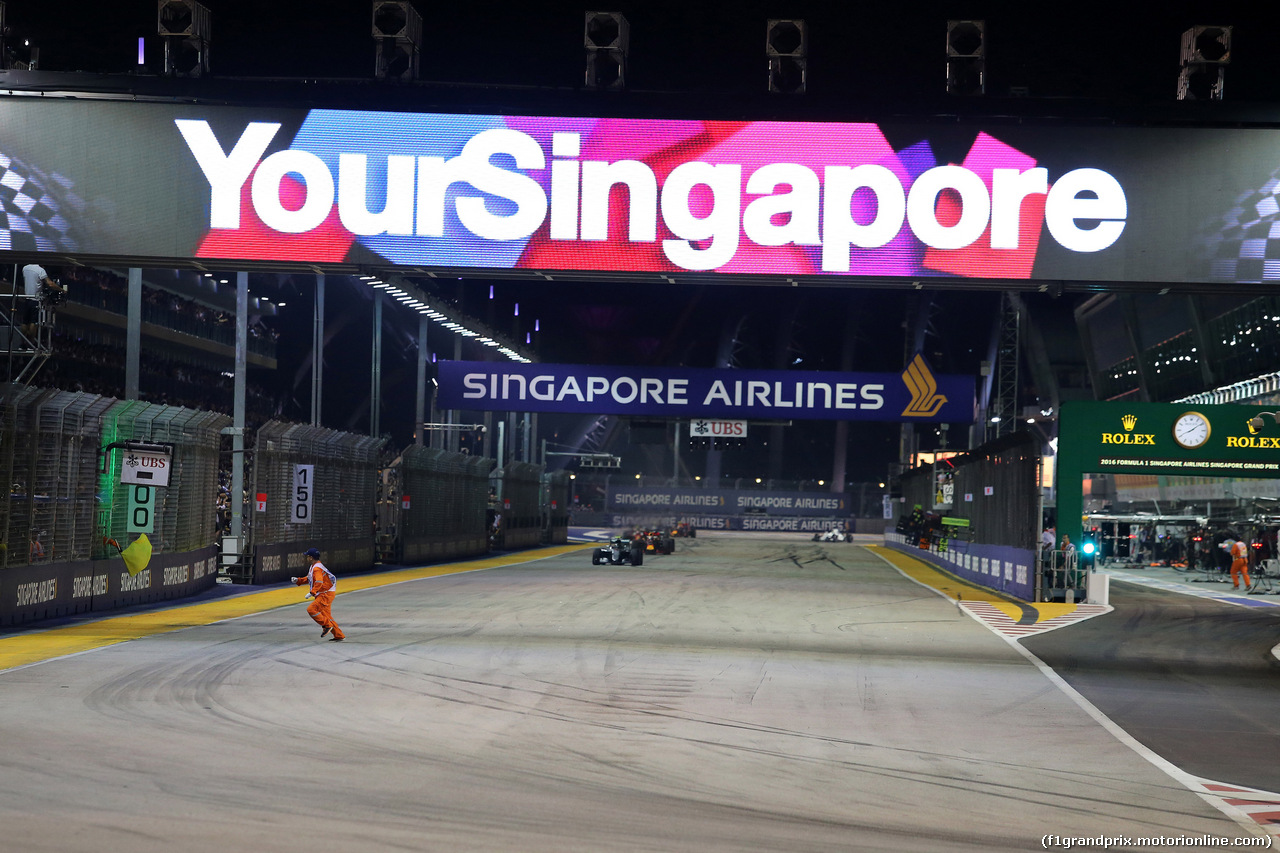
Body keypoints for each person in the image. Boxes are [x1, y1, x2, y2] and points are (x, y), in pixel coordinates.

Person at [291, 547, 345, 641]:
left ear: (311, 557)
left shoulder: (316, 569)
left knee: (311, 610)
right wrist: (298, 580)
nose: (306, 558)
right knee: (326, 616)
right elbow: (310, 578)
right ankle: (339, 635)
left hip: (325, 594)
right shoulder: (315, 566)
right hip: (326, 593)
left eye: (307, 556)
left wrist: (312, 592)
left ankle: (327, 626)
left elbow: (319, 582)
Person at [19, 263, 64, 340]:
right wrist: (62, 290)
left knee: (25, 322)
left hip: (27, 298)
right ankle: (30, 342)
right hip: (36, 300)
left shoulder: (25, 268)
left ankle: (22, 342)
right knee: (34, 322)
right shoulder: (40, 270)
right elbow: (50, 284)